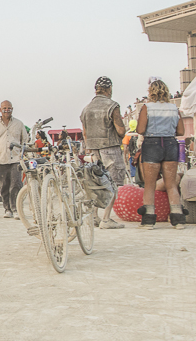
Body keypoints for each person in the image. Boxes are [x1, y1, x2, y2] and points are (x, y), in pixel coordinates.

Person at [135, 78, 186, 229]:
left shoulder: (147, 107)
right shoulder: (174, 108)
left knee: (150, 184)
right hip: (170, 144)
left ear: (151, 92)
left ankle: (148, 220)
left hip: (152, 144)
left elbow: (140, 130)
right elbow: (181, 131)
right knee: (171, 184)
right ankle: (178, 219)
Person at [79, 76, 126, 229]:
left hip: (93, 150)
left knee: (96, 183)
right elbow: (120, 131)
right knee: (112, 184)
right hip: (110, 149)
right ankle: (106, 218)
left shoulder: (86, 109)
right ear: (109, 89)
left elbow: (85, 133)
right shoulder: (112, 106)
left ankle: (94, 216)